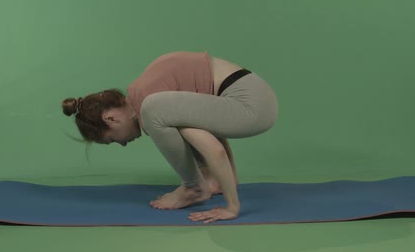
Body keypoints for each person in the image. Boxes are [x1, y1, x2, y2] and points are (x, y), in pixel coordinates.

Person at [61, 51, 278, 224]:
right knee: (163, 114)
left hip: (250, 105)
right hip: (253, 98)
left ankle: (193, 187)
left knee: (153, 110)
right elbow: (212, 127)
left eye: (112, 140)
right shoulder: (148, 91)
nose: (123, 144)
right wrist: (224, 180)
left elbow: (214, 149)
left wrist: (231, 207)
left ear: (111, 119)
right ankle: (207, 181)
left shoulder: (151, 104)